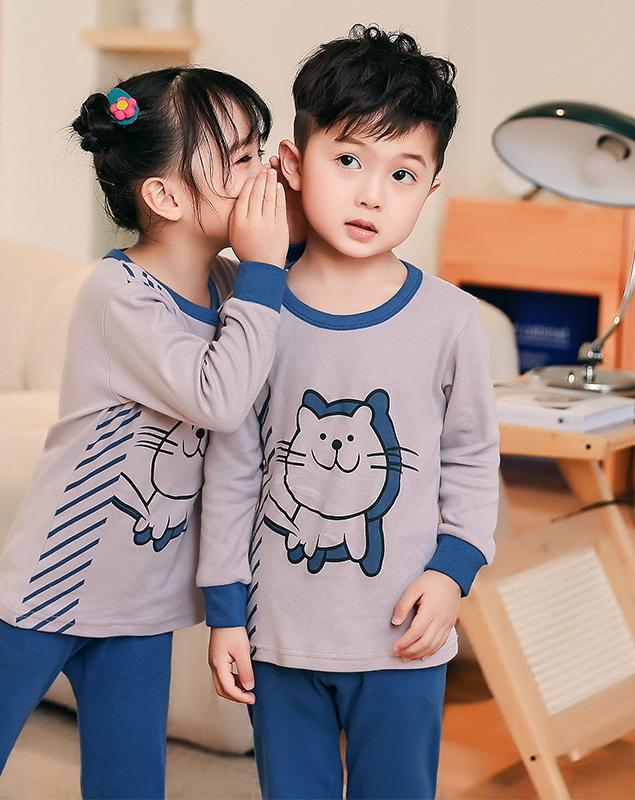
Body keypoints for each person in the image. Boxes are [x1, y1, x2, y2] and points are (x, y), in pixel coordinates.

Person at [0, 66, 289, 800]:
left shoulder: (235, 288)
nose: (261, 175)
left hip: (141, 601)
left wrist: (296, 208)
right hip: (54, 579)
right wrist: (265, 266)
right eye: (240, 159)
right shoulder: (120, 294)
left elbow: (296, 315)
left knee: (131, 784)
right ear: (165, 196)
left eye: (262, 151)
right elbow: (220, 396)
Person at [199, 25, 500, 800]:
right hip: (279, 636)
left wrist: (454, 571)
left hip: (403, 639)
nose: (373, 194)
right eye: (348, 161)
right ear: (293, 166)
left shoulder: (451, 320)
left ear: (429, 191)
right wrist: (225, 610)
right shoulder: (256, 310)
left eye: (403, 174)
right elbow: (232, 466)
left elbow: (472, 458)